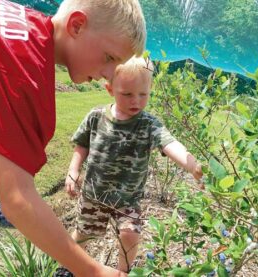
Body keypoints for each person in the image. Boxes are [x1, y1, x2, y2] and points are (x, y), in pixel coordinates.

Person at [0, 0, 146, 276]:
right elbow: (17, 201)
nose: (109, 76)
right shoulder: (25, 71)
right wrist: (93, 271)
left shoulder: (22, 22)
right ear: (77, 25)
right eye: (109, 58)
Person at [63, 56, 203, 275]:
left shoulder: (149, 124)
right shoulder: (96, 117)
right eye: (127, 94)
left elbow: (170, 144)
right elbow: (82, 145)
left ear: (150, 90)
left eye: (143, 94)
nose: (135, 101)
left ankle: (123, 272)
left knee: (131, 234)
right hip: (94, 195)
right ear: (110, 89)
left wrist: (193, 165)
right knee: (83, 234)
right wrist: (73, 171)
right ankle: (68, 267)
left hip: (127, 200)